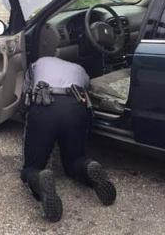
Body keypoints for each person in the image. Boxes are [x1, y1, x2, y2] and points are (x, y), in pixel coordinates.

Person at [20, 56, 116, 222]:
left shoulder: (39, 62)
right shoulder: (81, 70)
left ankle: (40, 177)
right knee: (74, 161)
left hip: (45, 105)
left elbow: (26, 95)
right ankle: (88, 167)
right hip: (75, 106)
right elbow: (88, 90)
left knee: (30, 167)